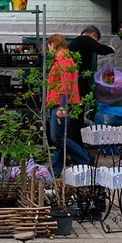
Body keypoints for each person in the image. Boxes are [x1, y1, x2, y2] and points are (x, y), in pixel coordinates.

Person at [46, 34, 94, 176]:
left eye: (49, 46)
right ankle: (54, 170)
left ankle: (84, 157)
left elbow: (65, 85)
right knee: (59, 137)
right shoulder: (63, 60)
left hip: (61, 103)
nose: (49, 49)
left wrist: (62, 106)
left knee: (57, 137)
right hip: (59, 102)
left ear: (54, 44)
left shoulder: (64, 61)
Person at [67, 26, 116, 146]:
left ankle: (74, 144)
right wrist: (110, 48)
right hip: (78, 83)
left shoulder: (76, 43)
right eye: (96, 40)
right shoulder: (85, 39)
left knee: (76, 114)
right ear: (93, 35)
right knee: (76, 116)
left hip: (74, 82)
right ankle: (76, 146)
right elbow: (100, 49)